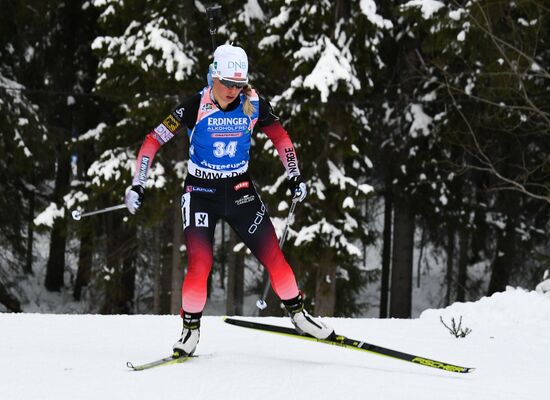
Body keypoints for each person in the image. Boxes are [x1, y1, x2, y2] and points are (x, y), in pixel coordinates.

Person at [125, 44, 334, 356]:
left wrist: (294, 174)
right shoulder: (196, 104)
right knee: (201, 263)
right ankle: (190, 330)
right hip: (201, 194)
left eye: (239, 85)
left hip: (239, 191)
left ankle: (300, 315)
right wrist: (138, 181)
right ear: (213, 77)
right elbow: (154, 139)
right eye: (226, 83)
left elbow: (280, 137)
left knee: (273, 254)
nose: (232, 91)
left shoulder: (251, 102)